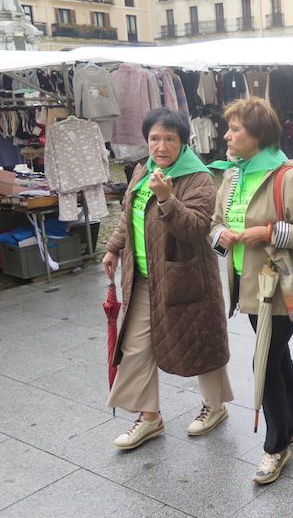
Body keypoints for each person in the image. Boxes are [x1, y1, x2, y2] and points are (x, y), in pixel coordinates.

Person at [209, 98, 293, 485]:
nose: (226, 135)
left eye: (235, 129)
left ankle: (276, 446)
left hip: (278, 289)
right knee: (274, 358)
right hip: (248, 287)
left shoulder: (288, 178)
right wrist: (220, 237)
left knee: (264, 363)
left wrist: (267, 232)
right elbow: (214, 224)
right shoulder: (232, 176)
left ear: (258, 135)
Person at [102, 108, 232, 450]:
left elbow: (195, 228)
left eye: (169, 139)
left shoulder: (198, 178)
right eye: (154, 138)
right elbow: (128, 215)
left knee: (199, 340)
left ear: (183, 141)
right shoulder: (143, 170)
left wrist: (166, 198)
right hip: (142, 277)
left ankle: (215, 407)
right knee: (135, 346)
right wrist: (114, 248)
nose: (161, 146)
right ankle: (149, 417)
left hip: (184, 277)